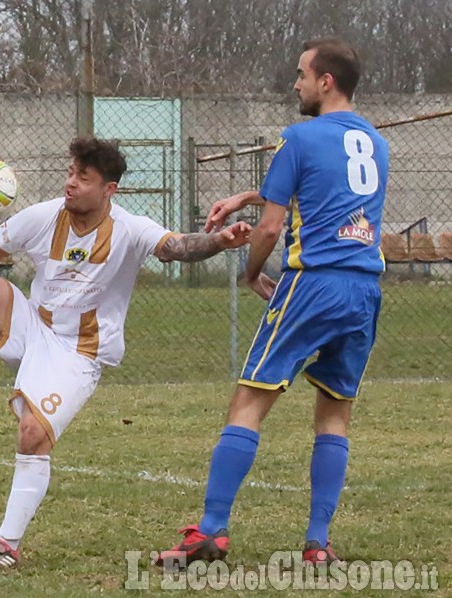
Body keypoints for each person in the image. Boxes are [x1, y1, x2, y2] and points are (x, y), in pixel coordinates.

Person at [0, 136, 252, 569]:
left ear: (109, 189)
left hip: (79, 354)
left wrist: (220, 241)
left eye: (83, 178)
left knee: (32, 434)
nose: (71, 183)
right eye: (70, 173)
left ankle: (5, 546)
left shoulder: (129, 228)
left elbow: (177, 247)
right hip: (33, 326)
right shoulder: (46, 215)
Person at [154, 38, 389, 568]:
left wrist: (252, 272)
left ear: (325, 81)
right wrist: (248, 193)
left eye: (302, 74)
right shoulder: (376, 142)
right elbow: (329, 189)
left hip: (314, 284)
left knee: (249, 401)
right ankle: (318, 544)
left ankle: (210, 532)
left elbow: (271, 228)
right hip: (364, 289)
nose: (296, 84)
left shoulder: (299, 138)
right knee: (334, 416)